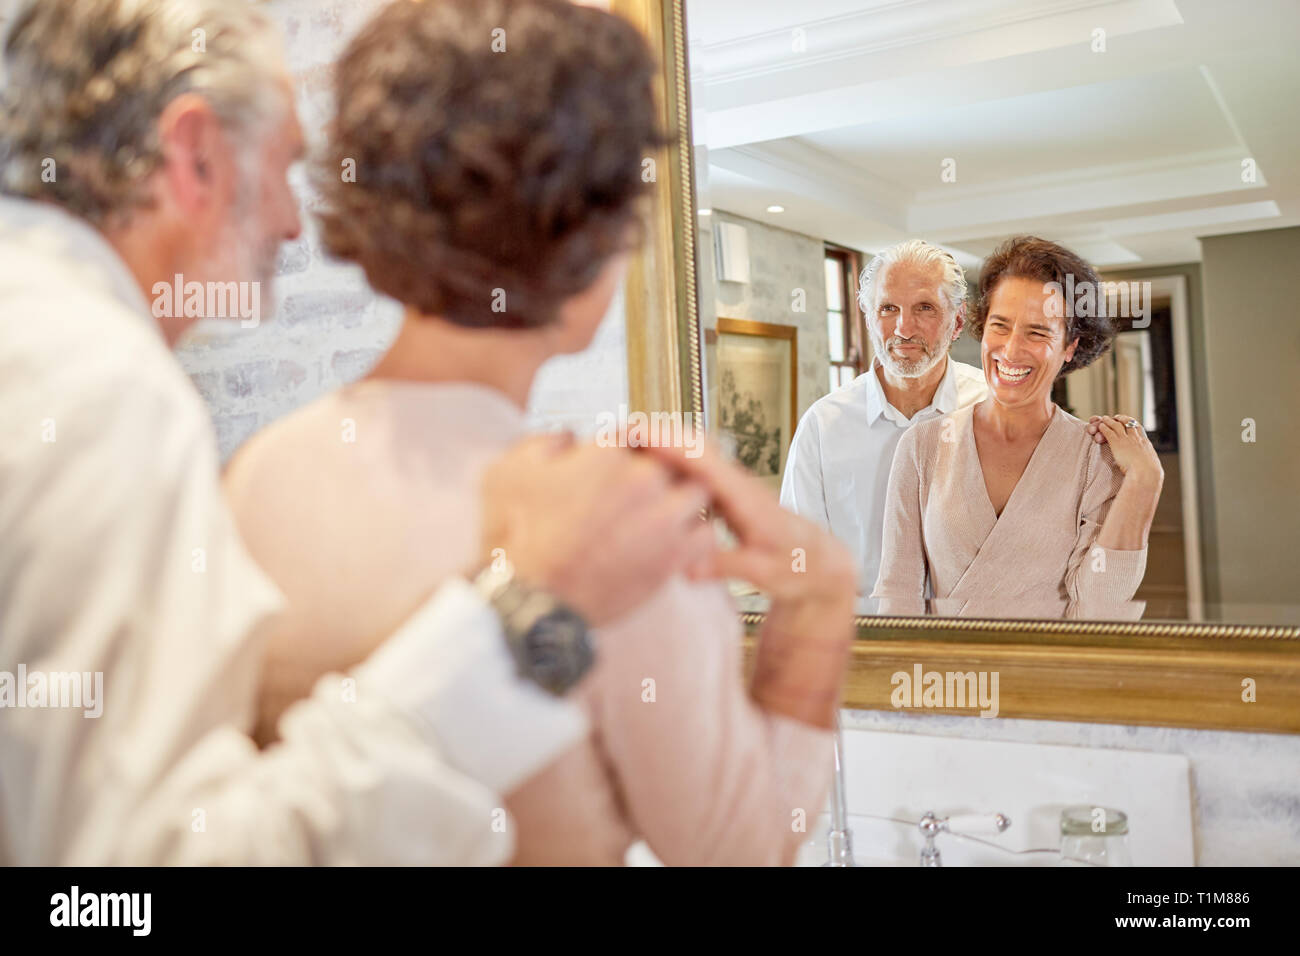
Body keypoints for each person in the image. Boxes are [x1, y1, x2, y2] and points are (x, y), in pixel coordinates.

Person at [0, 0, 853, 865]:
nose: (290, 222)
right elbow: (748, 849)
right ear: (597, 243)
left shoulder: (256, 476)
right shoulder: (611, 529)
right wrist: (819, 607)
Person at [872, 236, 1163, 619]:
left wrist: (1145, 480)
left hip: (1049, 674)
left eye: (1037, 332)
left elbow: (1099, 609)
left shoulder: (1095, 458)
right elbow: (898, 594)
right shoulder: (922, 446)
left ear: (1070, 347)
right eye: (1000, 326)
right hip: (949, 677)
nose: (1010, 350)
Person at [781, 239, 987, 607]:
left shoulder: (993, 408)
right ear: (868, 317)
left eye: (925, 308)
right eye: (888, 308)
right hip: (861, 642)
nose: (904, 328)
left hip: (973, 641)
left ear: (957, 321)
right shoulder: (823, 426)